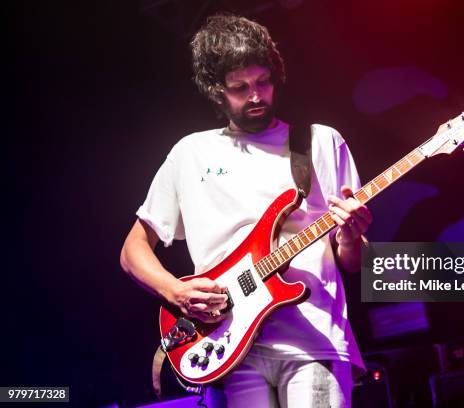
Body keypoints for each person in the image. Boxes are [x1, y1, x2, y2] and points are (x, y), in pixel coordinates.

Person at [120, 14, 372, 408]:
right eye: (239, 88)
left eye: (263, 82)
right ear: (216, 91)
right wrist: (175, 289)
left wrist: (351, 237)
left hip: (315, 342)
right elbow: (133, 249)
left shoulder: (321, 142)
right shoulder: (191, 153)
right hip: (227, 347)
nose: (255, 96)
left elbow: (352, 261)